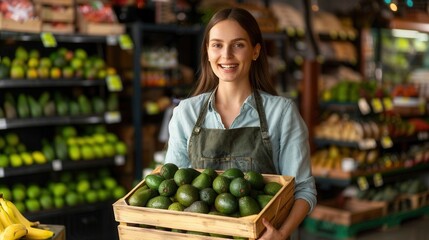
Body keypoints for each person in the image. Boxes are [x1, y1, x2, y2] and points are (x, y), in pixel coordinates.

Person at [164, 7, 317, 240]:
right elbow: (173, 185)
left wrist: (282, 234)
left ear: (255, 51)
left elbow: (303, 189)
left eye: (238, 45)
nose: (226, 55)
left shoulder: (281, 112)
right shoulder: (186, 113)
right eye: (217, 45)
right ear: (207, 51)